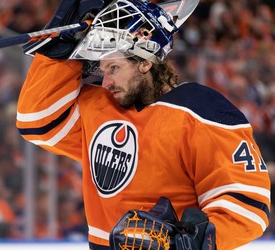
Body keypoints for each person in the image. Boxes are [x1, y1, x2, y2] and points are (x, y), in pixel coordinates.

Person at [16, 0, 271, 249]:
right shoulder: (101, 107)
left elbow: (247, 206)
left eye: (114, 67)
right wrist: (60, 50)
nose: (106, 82)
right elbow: (36, 122)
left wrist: (198, 240)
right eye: (102, 70)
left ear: (146, 62)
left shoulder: (203, 112)